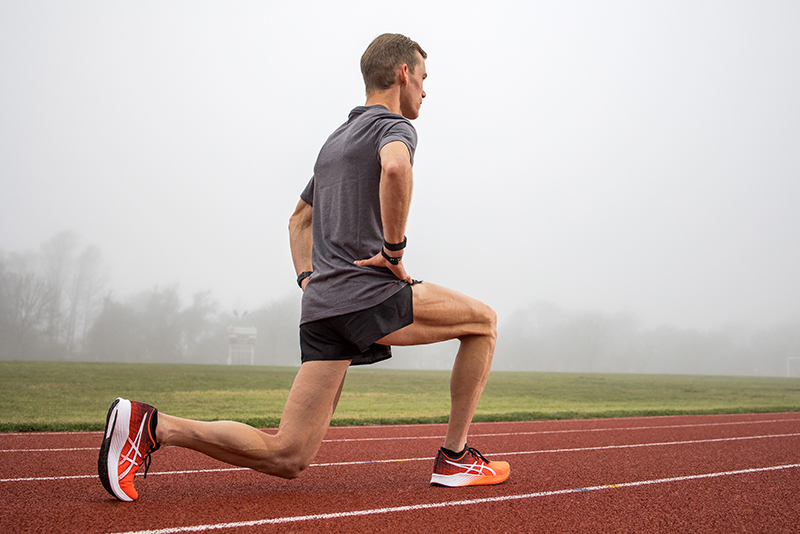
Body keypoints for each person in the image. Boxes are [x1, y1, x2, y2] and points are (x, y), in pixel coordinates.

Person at [98, 33, 509, 503]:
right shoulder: (393, 128)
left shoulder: (333, 142)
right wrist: (393, 254)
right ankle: (455, 459)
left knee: (288, 454)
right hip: (368, 294)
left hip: (323, 307)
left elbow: (298, 219)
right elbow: (396, 169)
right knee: (485, 322)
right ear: (403, 74)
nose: (425, 89)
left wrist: (308, 280)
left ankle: (152, 427)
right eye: (423, 77)